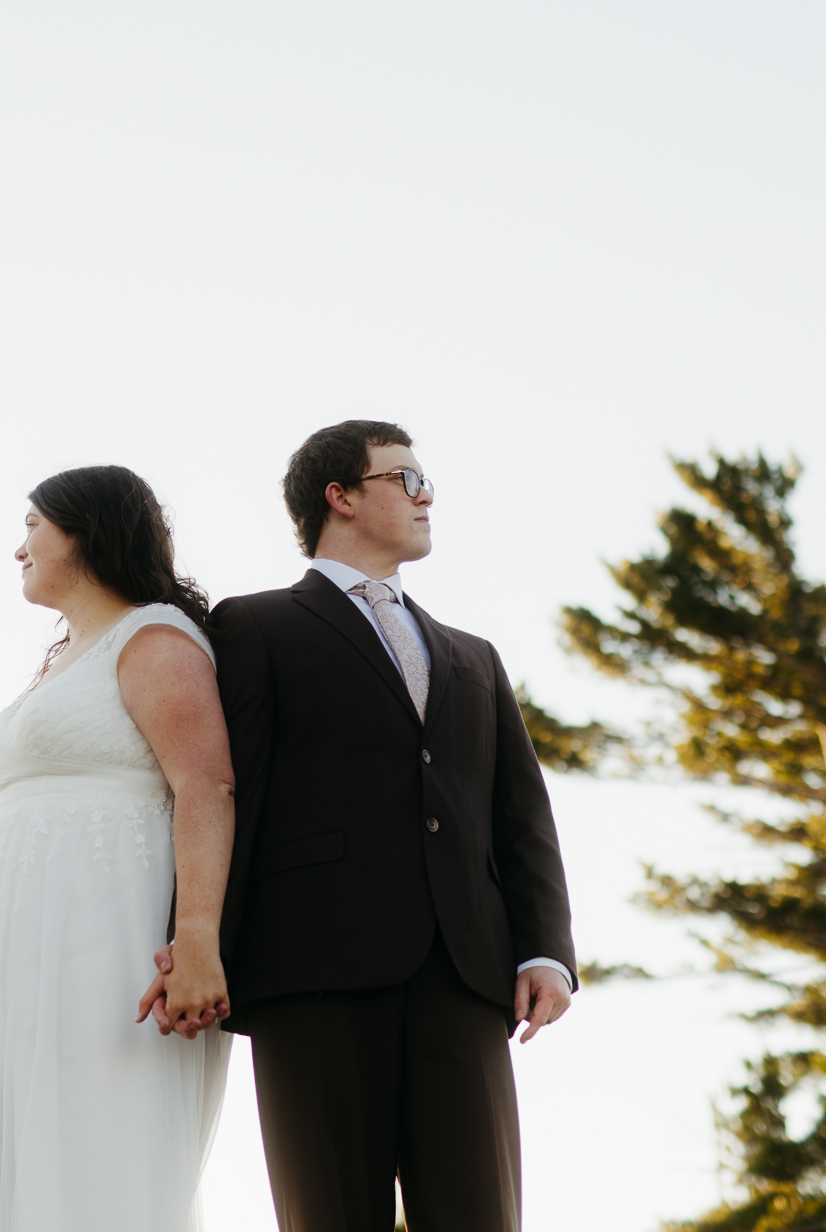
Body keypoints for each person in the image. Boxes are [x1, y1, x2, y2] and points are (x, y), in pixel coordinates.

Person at [142, 419, 576, 1232]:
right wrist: (198, 946)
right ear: (340, 496)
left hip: (466, 977)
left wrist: (546, 948)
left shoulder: (474, 657)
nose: (428, 495)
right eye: (406, 479)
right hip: (314, 977)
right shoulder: (256, 626)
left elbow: (522, 815)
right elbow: (231, 791)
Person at [0, 465, 235, 1232]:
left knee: (89, 1153)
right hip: (2, 951)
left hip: (103, 938)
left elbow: (206, 786)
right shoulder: (65, 656)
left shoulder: (155, 638)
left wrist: (197, 938)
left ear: (84, 530)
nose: (18, 548)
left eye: (32, 525)